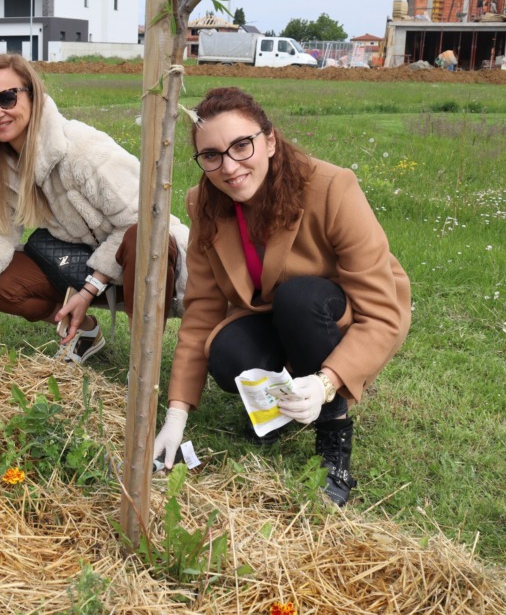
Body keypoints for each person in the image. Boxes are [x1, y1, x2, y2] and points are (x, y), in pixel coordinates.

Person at [152, 87, 410, 507]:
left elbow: (383, 314)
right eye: (212, 155)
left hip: (333, 310)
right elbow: (201, 310)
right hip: (270, 311)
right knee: (227, 350)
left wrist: (327, 384)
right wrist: (176, 415)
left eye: (242, 145)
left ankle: (332, 438)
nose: (229, 167)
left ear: (269, 140)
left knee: (300, 298)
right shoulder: (204, 203)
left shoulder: (332, 187)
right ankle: (281, 411)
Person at [0, 53, 189, 363]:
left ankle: (144, 364)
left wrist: (88, 291)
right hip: (87, 265)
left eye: (7, 98)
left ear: (33, 96)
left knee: (140, 236)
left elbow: (147, 222)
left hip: (152, 265)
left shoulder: (82, 149)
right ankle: (83, 333)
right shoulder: (3, 167)